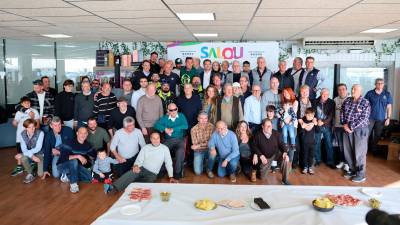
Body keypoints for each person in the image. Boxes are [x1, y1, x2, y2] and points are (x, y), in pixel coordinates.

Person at [105, 132, 176, 194]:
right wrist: (135, 166)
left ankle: (130, 185)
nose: (156, 140)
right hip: (142, 168)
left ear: (160, 139)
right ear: (151, 139)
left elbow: (168, 163)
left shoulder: (165, 149)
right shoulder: (145, 148)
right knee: (132, 172)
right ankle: (114, 188)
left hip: (153, 174)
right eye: (153, 138)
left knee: (144, 188)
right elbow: (139, 160)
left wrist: (171, 176)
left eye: (157, 138)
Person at [341, 84, 371, 183]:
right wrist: (344, 124)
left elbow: (364, 118)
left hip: (360, 130)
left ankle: (361, 174)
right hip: (346, 129)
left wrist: (351, 127)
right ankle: (353, 170)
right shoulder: (347, 100)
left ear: (360, 91)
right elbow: (342, 113)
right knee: (348, 151)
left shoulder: (365, 102)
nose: (353, 90)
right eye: (352, 88)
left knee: (360, 152)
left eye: (355, 89)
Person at [154, 103, 188, 179]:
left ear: (177, 109)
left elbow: (185, 126)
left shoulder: (181, 116)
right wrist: (165, 129)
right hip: (168, 140)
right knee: (162, 150)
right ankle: (162, 170)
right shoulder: (165, 118)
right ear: (168, 111)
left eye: (175, 109)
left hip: (180, 139)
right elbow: (156, 125)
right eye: (171, 110)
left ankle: (177, 172)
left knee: (180, 151)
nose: (173, 111)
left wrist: (173, 129)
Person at [251, 119, 290, 184]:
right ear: (262, 126)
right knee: (262, 177)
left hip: (275, 154)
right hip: (265, 158)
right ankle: (266, 168)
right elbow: (254, 146)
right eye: (267, 126)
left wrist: (285, 152)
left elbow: (282, 144)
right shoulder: (257, 134)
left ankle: (285, 180)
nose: (269, 128)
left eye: (270, 126)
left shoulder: (276, 133)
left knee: (285, 159)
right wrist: (260, 155)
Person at [57, 127, 94, 193]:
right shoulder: (69, 142)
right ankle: (73, 184)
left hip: (76, 166)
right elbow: (63, 157)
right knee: (74, 161)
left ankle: (68, 176)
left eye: (85, 133)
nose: (83, 135)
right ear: (77, 133)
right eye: (81, 133)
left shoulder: (88, 145)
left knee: (89, 178)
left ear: (87, 134)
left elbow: (94, 156)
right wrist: (78, 156)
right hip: (63, 165)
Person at [11, 97, 40, 177]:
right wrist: (14, 123)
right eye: (25, 103)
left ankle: (32, 164)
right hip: (20, 136)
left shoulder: (34, 111)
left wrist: (32, 117)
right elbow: (15, 123)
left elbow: (37, 125)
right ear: (22, 104)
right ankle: (19, 167)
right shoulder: (19, 112)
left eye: (28, 102)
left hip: (30, 136)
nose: (27, 104)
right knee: (20, 151)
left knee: (31, 150)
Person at [365, 78, 393, 154]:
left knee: (377, 135)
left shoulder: (387, 94)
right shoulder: (369, 93)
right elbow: (364, 106)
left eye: (381, 83)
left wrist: (388, 118)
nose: (380, 84)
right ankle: (364, 150)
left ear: (383, 84)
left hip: (381, 119)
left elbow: (389, 107)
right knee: (366, 134)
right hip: (369, 118)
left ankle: (373, 149)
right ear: (375, 84)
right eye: (378, 83)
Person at [15, 119, 44, 183]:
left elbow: (38, 148)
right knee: (23, 158)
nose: (32, 129)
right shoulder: (22, 134)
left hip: (40, 153)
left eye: (33, 127)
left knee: (40, 174)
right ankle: (30, 173)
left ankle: (35, 165)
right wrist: (32, 156)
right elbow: (24, 149)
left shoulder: (40, 133)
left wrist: (24, 154)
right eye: (29, 127)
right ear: (25, 128)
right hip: (30, 154)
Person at [314, 88, 335, 168]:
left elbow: (331, 115)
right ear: (320, 93)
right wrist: (317, 120)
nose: (325, 96)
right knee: (317, 143)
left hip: (326, 125)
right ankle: (317, 160)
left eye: (327, 94)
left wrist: (323, 122)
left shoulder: (331, 102)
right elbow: (313, 112)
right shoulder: (315, 101)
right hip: (317, 125)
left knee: (329, 144)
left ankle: (330, 161)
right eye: (323, 94)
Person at [279, 88, 298, 162]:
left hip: (292, 125)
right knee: (285, 144)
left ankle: (289, 162)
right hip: (284, 125)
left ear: (290, 93)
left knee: (292, 145)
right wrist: (282, 120)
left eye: (286, 93)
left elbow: (293, 113)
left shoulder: (295, 102)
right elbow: (281, 114)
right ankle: (285, 163)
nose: (285, 94)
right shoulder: (282, 102)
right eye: (284, 93)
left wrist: (285, 121)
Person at [334, 83, 349, 170]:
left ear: (346, 90)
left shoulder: (350, 99)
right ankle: (342, 161)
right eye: (339, 89)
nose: (341, 91)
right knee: (340, 145)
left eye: (343, 89)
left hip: (346, 127)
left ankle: (347, 163)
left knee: (346, 145)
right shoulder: (335, 100)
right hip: (337, 126)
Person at [300, 108, 317, 174]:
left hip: (312, 142)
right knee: (305, 155)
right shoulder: (303, 122)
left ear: (313, 116)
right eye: (308, 115)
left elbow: (318, 130)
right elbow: (301, 131)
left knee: (311, 155)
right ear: (305, 114)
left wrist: (315, 124)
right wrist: (303, 126)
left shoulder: (313, 122)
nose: (310, 117)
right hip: (305, 142)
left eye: (312, 115)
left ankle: (310, 167)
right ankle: (305, 167)